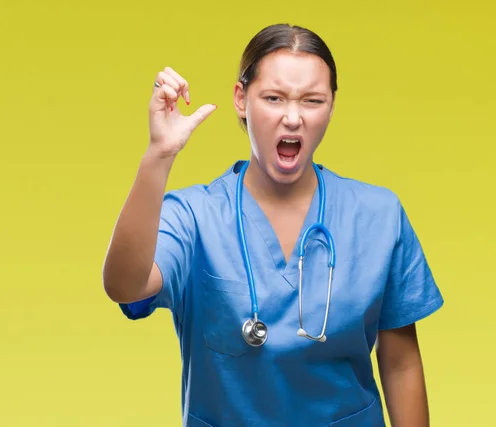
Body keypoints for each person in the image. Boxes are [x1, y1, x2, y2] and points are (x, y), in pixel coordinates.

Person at [102, 23, 444, 427]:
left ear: (332, 105)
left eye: (313, 100)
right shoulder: (194, 215)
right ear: (241, 99)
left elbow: (401, 364)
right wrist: (159, 155)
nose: (293, 117)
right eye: (274, 98)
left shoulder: (379, 215)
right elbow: (124, 287)